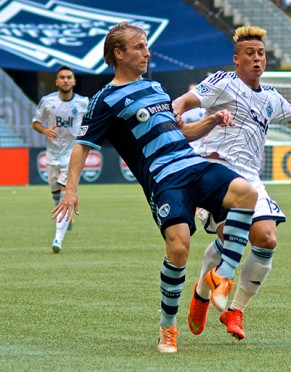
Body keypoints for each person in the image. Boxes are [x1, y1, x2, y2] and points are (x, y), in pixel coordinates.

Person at [52, 22, 259, 354]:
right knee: (178, 250)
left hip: (192, 164)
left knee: (247, 195)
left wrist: (212, 120)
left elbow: (182, 134)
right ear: (118, 53)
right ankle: (168, 328)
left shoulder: (157, 88)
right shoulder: (106, 99)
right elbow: (82, 145)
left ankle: (221, 276)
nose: (147, 52)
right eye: (139, 47)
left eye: (146, 46)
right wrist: (71, 189)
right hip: (164, 180)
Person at [172, 25, 291, 341]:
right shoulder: (222, 82)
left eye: (261, 53)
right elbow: (187, 99)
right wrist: (177, 111)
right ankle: (202, 291)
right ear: (236, 59)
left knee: (266, 239)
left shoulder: (271, 98)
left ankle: (234, 310)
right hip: (215, 173)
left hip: (250, 179)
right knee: (230, 237)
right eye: (249, 53)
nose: (257, 59)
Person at [31, 65, 89, 254]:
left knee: (66, 193)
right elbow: (35, 122)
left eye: (68, 77)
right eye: (62, 77)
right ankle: (65, 217)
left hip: (72, 156)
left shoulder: (83, 103)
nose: (65, 80)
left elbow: (92, 123)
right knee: (56, 196)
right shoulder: (47, 101)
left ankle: (58, 239)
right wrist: (45, 130)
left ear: (74, 81)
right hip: (52, 156)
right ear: (57, 81)